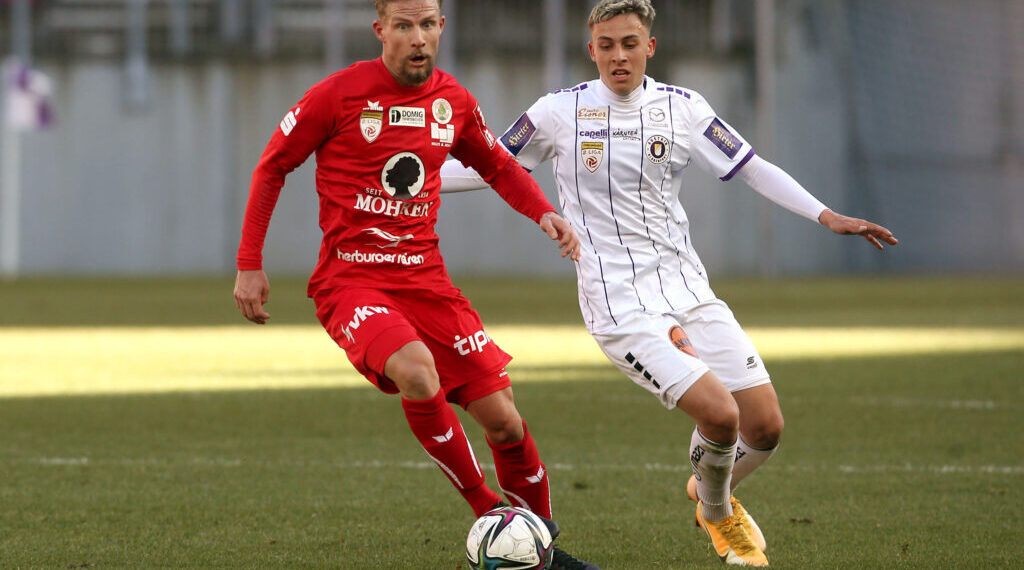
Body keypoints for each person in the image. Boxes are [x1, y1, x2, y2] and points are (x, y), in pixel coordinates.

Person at [440, 0, 899, 566]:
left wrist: (825, 215)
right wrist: (403, 181)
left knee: (766, 426)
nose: (618, 55)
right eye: (606, 45)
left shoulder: (682, 109)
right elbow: (487, 165)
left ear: (649, 47)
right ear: (591, 51)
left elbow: (751, 165)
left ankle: (706, 486)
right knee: (721, 415)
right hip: (620, 306)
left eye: (629, 43)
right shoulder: (559, 113)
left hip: (688, 288)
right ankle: (716, 511)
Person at [232, 1, 600, 569]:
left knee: (503, 418)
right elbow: (272, 165)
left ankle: (540, 553)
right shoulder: (338, 94)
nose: (417, 38)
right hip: (351, 280)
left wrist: (544, 214)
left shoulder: (452, 101)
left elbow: (497, 164)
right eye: (404, 26)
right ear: (381, 31)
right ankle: (490, 514)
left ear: (441, 29)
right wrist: (249, 262)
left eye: (427, 24)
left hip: (426, 282)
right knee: (416, 370)